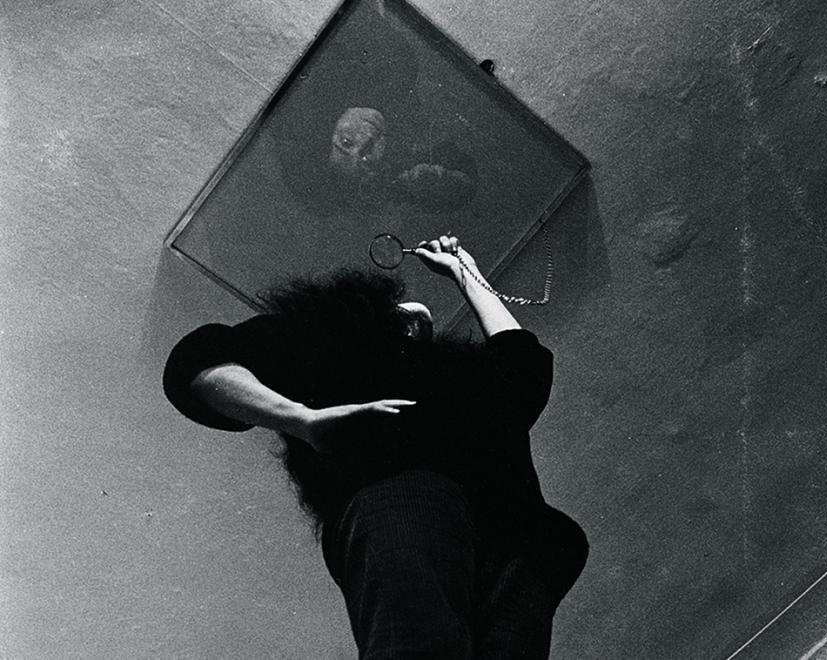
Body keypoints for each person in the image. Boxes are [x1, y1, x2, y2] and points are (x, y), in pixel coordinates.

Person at [162, 236, 588, 658]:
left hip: (521, 537)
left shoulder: (467, 378)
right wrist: (302, 420)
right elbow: (196, 363)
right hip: (403, 487)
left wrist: (464, 270)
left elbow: (523, 363)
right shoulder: (326, 331)